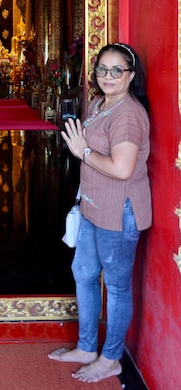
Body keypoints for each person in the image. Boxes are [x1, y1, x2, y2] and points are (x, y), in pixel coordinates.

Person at [48, 42, 151, 383]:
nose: (108, 76)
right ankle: (87, 346)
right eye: (102, 69)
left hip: (119, 210)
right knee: (84, 272)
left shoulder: (129, 115)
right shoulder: (99, 103)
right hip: (93, 206)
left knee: (118, 287)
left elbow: (122, 169)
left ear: (131, 75)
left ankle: (111, 359)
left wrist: (83, 150)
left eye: (117, 70)